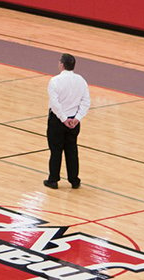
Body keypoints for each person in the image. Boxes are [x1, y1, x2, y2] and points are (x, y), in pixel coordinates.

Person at [45, 52, 90, 189]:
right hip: (74, 121)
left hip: (58, 120)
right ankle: (74, 180)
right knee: (72, 150)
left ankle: (53, 180)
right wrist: (76, 118)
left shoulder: (55, 81)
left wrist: (64, 119)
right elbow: (86, 102)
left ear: (62, 64)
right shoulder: (81, 80)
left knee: (56, 150)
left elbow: (55, 104)